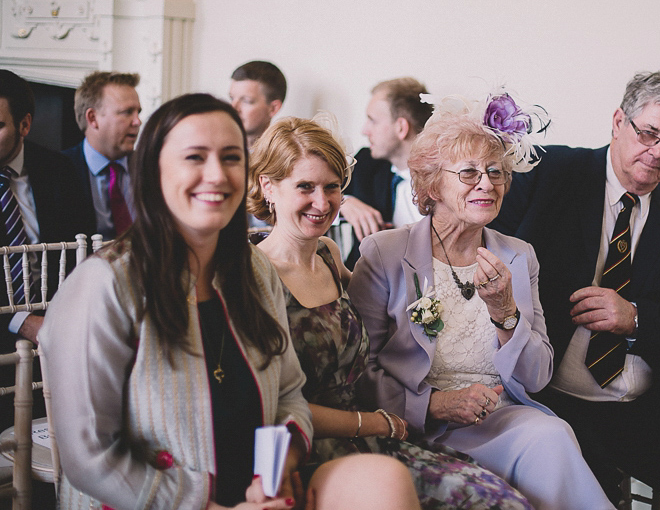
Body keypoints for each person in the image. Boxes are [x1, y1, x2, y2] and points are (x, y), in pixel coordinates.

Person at [39, 93, 418, 510]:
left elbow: (289, 396)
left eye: (232, 157)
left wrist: (272, 476)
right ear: (153, 169)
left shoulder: (254, 271)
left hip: (255, 495)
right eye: (195, 158)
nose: (217, 174)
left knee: (387, 484)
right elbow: (91, 459)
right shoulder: (103, 285)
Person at [491, 71, 660, 509]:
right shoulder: (549, 172)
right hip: (550, 396)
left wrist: (634, 317)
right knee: (595, 489)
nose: (658, 152)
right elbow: (485, 249)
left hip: (639, 402)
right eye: (649, 133)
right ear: (618, 122)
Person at [249, 116, 532, 509]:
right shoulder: (252, 274)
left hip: (375, 435)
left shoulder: (330, 256)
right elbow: (269, 402)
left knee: (502, 501)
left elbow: (383, 317)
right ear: (268, 187)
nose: (322, 202)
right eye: (305, 187)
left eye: (332, 187)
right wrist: (379, 421)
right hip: (306, 445)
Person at [350, 91, 613, 510]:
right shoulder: (384, 253)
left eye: (496, 172)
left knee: (552, 434)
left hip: (501, 420)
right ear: (433, 182)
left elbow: (537, 377)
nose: (487, 184)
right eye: (470, 172)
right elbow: (357, 370)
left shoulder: (518, 255)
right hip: (412, 423)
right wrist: (434, 404)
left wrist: (505, 313)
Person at [0, 69, 84, 434]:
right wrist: (25, 322)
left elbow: (83, 248)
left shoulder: (58, 169)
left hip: (59, 321)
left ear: (25, 124)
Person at [340, 77, 432, 268]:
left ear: (401, 128)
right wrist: (344, 202)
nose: (364, 130)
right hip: (365, 284)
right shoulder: (366, 163)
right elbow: (315, 194)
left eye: (372, 121)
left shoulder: (449, 174)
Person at [62, 70, 142, 238]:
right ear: (93, 118)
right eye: (127, 112)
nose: (137, 121)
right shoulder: (59, 170)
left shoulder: (150, 166)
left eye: (138, 112)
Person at [229, 60, 287, 149]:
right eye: (232, 98)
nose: (233, 108)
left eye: (246, 101)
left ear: (273, 108)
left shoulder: (285, 157)